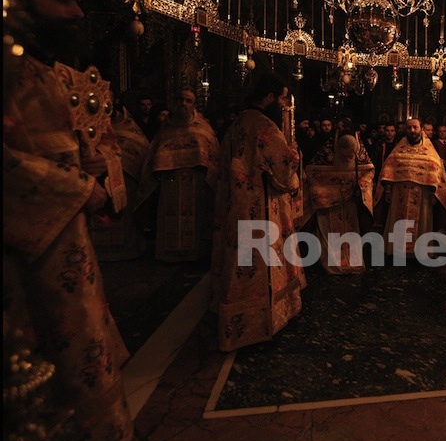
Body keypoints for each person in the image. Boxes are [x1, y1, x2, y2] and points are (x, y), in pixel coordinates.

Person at [3, 0, 133, 441]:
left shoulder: (51, 74)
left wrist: (95, 165)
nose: (77, 11)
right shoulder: (10, 71)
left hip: (65, 247)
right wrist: (79, 186)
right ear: (19, 4)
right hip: (22, 254)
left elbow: (89, 146)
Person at [209, 72, 306, 351]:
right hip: (261, 207)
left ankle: (235, 320)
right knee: (262, 260)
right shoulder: (264, 126)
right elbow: (284, 168)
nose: (284, 104)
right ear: (269, 97)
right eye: (282, 98)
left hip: (235, 206)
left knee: (239, 260)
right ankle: (263, 321)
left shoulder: (238, 123)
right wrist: (294, 153)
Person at [134, 89, 220, 262]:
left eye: (188, 101)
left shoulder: (202, 126)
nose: (183, 104)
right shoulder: (166, 127)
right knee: (170, 220)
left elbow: (213, 154)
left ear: (194, 105)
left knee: (195, 220)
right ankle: (169, 254)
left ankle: (195, 254)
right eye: (180, 99)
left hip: (196, 182)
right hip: (170, 182)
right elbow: (154, 153)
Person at [374, 117, 446, 256]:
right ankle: (397, 251)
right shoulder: (399, 149)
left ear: (421, 129)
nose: (412, 130)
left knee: (421, 223)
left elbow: (437, 172)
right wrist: (388, 190)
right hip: (399, 194)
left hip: (422, 195)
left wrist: (434, 193)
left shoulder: (429, 151)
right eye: (409, 128)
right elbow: (389, 168)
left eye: (415, 127)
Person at [89, 93, 151, 261]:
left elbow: (140, 148)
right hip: (97, 176)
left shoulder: (129, 127)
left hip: (125, 177)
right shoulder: (88, 126)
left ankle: (126, 249)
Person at [304, 130, 375, 274]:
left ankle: (353, 262)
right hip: (328, 205)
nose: (348, 159)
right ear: (337, 150)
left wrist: (360, 186)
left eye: (350, 156)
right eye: (344, 156)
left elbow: (369, 171)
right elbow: (311, 174)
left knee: (351, 231)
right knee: (331, 233)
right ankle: (333, 263)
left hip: (350, 203)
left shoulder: (360, 157)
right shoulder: (326, 156)